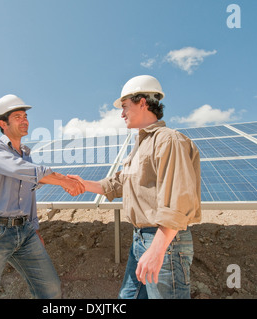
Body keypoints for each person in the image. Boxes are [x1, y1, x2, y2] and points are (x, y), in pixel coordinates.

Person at [68, 75, 201, 299]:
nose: (121, 114)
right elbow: (118, 183)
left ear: (142, 102)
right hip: (140, 239)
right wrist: (83, 184)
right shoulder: (141, 144)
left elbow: (179, 202)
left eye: (125, 106)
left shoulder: (169, 140)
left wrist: (157, 251)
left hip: (164, 241)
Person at [0, 94, 84, 299]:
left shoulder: (26, 154)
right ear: (3, 123)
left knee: (51, 289)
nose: (25, 120)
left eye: (25, 116)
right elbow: (23, 170)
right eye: (18, 117)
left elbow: (28, 196)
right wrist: (65, 181)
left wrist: (34, 227)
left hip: (26, 232)